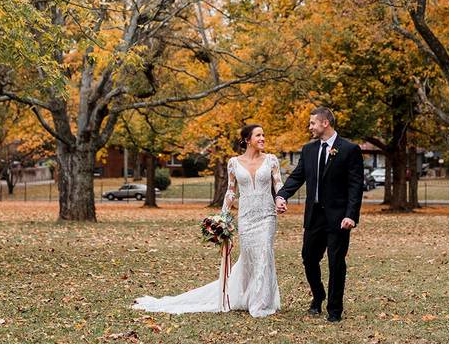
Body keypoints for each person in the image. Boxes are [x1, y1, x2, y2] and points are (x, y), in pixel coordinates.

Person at [133, 124, 282, 317]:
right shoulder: (233, 163)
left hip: (267, 215)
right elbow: (230, 191)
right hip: (246, 218)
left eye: (263, 135)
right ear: (247, 139)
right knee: (249, 258)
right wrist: (222, 218)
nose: (263, 138)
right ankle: (244, 296)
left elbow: (278, 183)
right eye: (258, 135)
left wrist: (280, 199)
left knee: (264, 253)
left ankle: (261, 303)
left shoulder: (271, 160)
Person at [275, 107, 364, 323]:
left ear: (325, 123)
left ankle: (334, 309)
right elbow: (297, 177)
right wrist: (282, 195)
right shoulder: (308, 150)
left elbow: (355, 186)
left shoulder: (349, 149)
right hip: (314, 216)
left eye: (312, 123)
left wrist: (351, 215)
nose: (310, 127)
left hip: (339, 218)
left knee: (336, 262)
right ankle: (318, 295)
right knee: (308, 258)